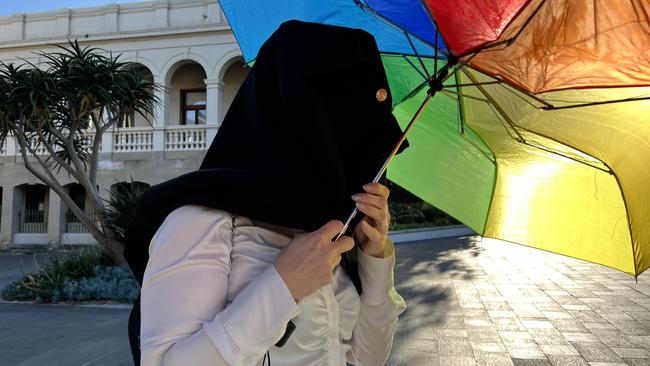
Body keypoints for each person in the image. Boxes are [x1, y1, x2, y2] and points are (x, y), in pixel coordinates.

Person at [124, 20, 409, 366]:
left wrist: (375, 258)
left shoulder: (332, 229)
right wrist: (283, 285)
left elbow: (367, 359)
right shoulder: (202, 221)